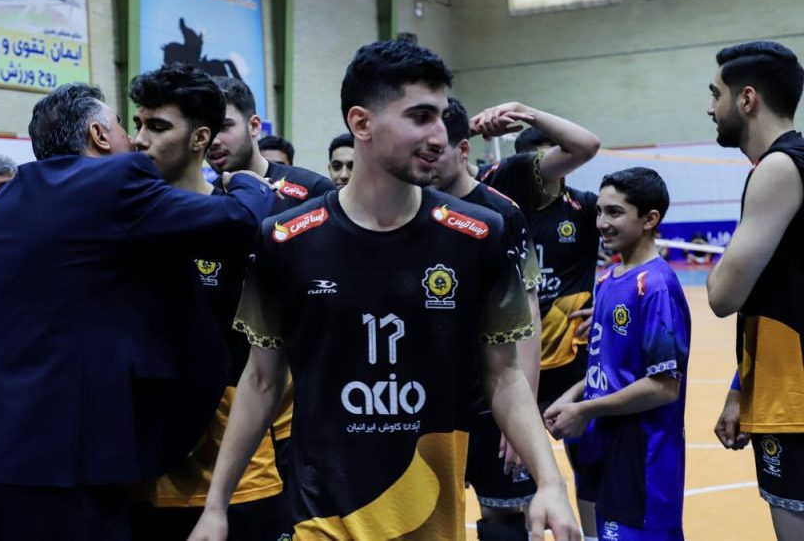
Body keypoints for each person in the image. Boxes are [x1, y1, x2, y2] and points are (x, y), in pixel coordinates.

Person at [189, 40, 580, 540]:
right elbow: (262, 380)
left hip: (428, 517)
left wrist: (550, 481)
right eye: (420, 116)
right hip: (321, 519)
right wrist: (216, 507)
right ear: (361, 123)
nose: (438, 135)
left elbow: (503, 375)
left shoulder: (480, 233)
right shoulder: (286, 239)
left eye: (441, 117)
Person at [0, 83, 276, 541]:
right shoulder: (113, 182)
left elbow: (31, 299)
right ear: (99, 135)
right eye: (126, 125)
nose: (136, 140)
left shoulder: (10, 198)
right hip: (56, 465)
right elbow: (240, 220)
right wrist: (247, 181)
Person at [126, 65, 288, 539]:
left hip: (236, 475)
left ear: (200, 138)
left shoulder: (253, 224)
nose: (140, 140)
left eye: (158, 126)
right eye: (138, 124)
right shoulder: (122, 220)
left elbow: (271, 356)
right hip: (139, 472)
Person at [472, 105, 601, 535]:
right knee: (515, 478)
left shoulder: (585, 207)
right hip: (508, 364)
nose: (553, 167)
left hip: (569, 362)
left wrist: (605, 303)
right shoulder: (496, 202)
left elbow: (635, 251)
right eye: (545, 160)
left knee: (589, 467)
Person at [545, 167, 690, 541]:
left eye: (615, 212)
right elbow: (608, 365)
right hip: (604, 444)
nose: (601, 223)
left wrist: (585, 410)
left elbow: (664, 387)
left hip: (642, 455)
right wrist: (573, 396)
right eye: (599, 211)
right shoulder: (609, 278)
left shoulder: (656, 286)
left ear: (649, 219)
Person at [207, 76, 336, 475]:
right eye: (206, 129)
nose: (214, 140)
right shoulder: (204, 203)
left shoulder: (312, 191)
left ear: (254, 126)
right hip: (231, 400)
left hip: (302, 401)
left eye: (225, 126)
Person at [705, 41, 804, 540]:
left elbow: (722, 296)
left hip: (795, 401)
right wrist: (739, 388)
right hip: (778, 386)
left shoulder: (779, 169)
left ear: (747, 99)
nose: (710, 108)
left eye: (715, 94)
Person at [435, 98, 543, 541]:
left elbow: (527, 314)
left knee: (505, 517)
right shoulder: (407, 208)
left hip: (491, 399)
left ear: (462, 149)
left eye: (435, 148)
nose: (424, 159)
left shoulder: (501, 214)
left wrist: (522, 416)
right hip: (429, 402)